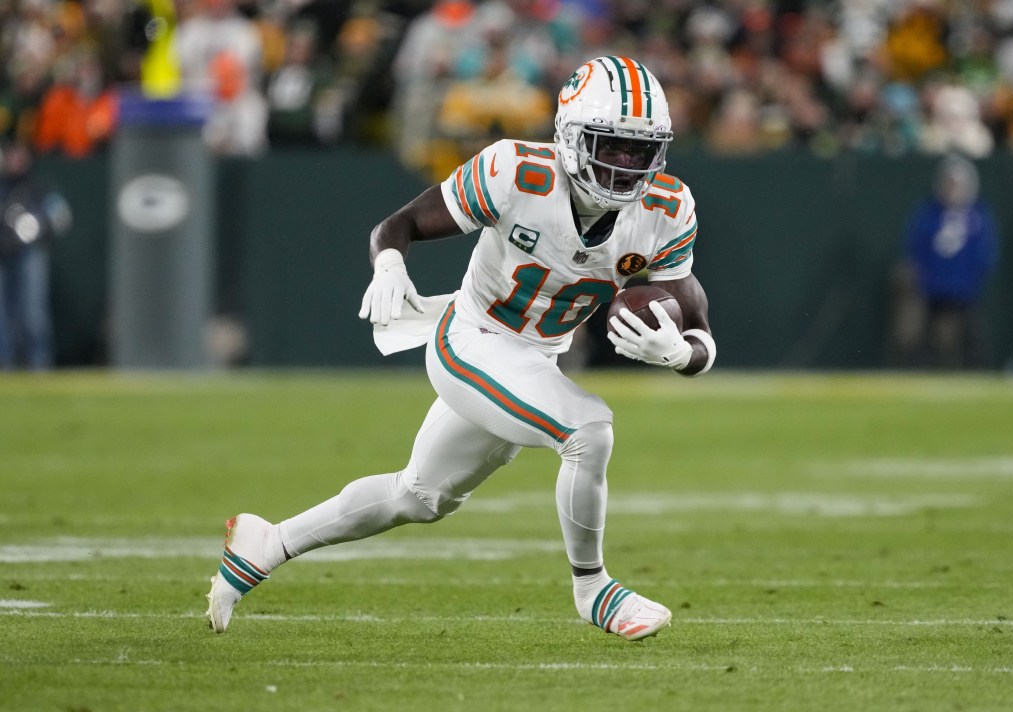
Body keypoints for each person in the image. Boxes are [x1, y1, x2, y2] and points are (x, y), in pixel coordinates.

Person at [205, 56, 717, 641]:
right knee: (588, 429)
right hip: (471, 340)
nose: (625, 164)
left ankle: (266, 542)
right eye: (611, 144)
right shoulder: (516, 171)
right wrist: (390, 262)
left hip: (533, 358)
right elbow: (399, 225)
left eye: (639, 149)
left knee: (419, 497)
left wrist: (682, 355)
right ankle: (592, 587)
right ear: (572, 137)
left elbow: (699, 325)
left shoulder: (667, 209)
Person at [890, 154, 999, 368]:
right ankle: (922, 371)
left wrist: (976, 276)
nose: (952, 189)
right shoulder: (929, 212)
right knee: (925, 335)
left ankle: (975, 371)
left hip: (965, 287)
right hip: (933, 286)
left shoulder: (977, 215)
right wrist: (922, 275)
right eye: (948, 183)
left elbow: (986, 250)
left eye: (957, 184)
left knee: (971, 335)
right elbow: (915, 245)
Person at [0, 142, 72, 369]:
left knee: (33, 313)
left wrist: (38, 229)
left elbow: (61, 218)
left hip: (30, 255)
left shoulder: (40, 185)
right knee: (3, 317)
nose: (15, 160)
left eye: (20, 155)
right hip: (2, 255)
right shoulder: (3, 189)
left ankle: (39, 364)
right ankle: (5, 365)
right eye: (11, 155)